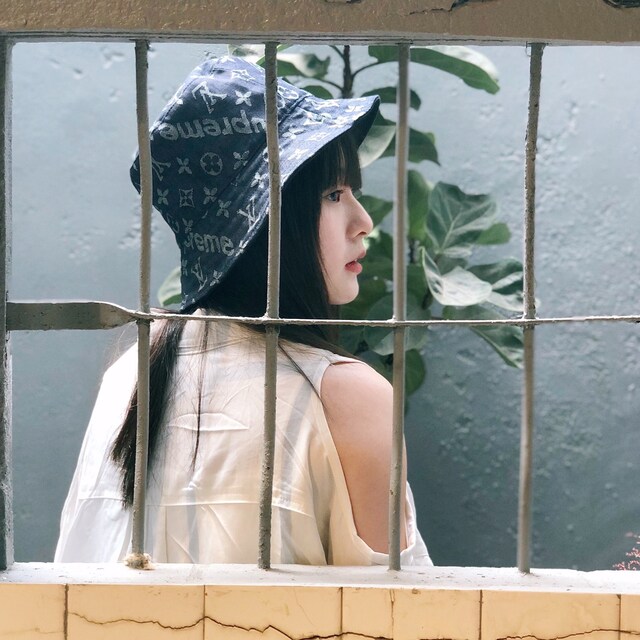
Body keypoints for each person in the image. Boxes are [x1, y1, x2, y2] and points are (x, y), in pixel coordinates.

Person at [55, 55, 432, 566]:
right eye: (333, 193)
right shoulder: (349, 397)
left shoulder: (132, 371)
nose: (362, 221)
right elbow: (400, 604)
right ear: (263, 223)